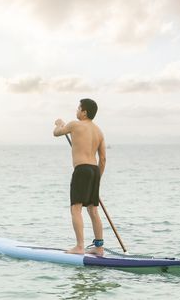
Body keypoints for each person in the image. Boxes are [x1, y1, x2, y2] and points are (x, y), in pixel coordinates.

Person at [53, 98, 107, 255]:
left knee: (76, 208)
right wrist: (97, 179)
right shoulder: (99, 131)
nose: (76, 111)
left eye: (78, 108)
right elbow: (103, 159)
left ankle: (79, 246)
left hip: (82, 169)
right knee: (93, 210)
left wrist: (59, 124)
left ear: (84, 112)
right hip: (95, 170)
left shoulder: (75, 124)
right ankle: (99, 247)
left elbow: (57, 133)